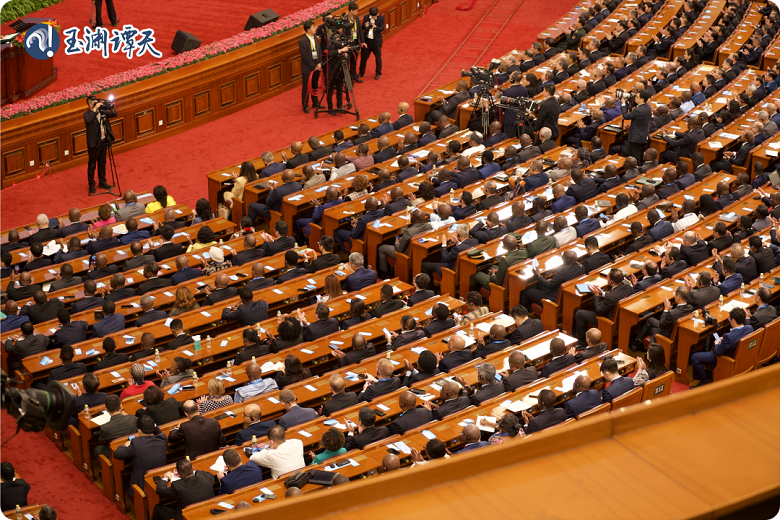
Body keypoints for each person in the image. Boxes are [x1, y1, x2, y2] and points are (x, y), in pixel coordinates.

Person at [691, 308, 754, 386]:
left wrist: (717, 343)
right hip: (740, 356)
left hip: (725, 359)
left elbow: (718, 352)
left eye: (729, 319)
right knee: (716, 339)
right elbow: (737, 336)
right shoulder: (749, 328)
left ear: (733, 320)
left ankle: (704, 382)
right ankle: (709, 372)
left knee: (695, 357)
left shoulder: (729, 337)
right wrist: (724, 339)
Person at [573, 268, 633, 345]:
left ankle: (581, 342)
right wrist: (602, 293)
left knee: (579, 313)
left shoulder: (610, 297)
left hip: (607, 320)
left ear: (611, 281)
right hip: (621, 318)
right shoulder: (628, 288)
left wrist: (596, 295)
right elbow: (615, 295)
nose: (607, 278)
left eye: (607, 277)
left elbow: (599, 311)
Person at [113, 415, 168, 497]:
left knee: (125, 481)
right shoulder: (163, 438)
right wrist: (152, 426)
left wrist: (124, 446)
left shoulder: (136, 443)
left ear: (139, 430)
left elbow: (117, 454)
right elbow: (159, 432)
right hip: (160, 476)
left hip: (141, 481)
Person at [83, 95, 117, 194]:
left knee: (102, 163)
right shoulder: (87, 114)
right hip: (94, 144)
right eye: (95, 103)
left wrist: (112, 107)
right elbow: (88, 120)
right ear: (90, 105)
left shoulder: (103, 112)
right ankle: (91, 184)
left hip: (103, 141)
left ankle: (102, 182)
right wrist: (95, 109)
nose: (98, 104)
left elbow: (114, 114)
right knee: (92, 164)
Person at [95, 394, 139, 459]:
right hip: (132, 448)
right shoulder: (133, 418)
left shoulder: (105, 428)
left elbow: (103, 443)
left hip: (115, 452)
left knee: (97, 448)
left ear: (106, 409)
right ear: (121, 406)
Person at [299, 20, 322, 114]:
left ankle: (315, 102)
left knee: (314, 85)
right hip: (308, 68)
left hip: (317, 66)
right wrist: (313, 66)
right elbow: (305, 56)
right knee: (306, 87)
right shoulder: (303, 41)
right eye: (313, 27)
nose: (315, 28)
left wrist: (320, 63)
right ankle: (305, 105)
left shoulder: (315, 38)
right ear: (308, 30)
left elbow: (319, 51)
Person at [359, 6, 384, 80]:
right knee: (363, 57)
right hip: (367, 41)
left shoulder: (381, 18)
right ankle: (361, 72)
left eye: (375, 16)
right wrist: (365, 26)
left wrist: (375, 27)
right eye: (373, 16)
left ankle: (378, 73)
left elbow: (382, 28)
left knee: (378, 58)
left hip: (376, 42)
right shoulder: (366, 17)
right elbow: (362, 28)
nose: (374, 17)